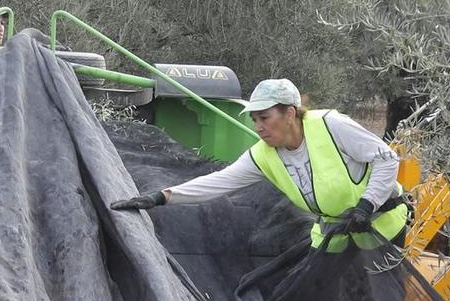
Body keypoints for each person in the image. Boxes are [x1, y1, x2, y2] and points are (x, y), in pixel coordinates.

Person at [109, 79, 407, 252]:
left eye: (264, 118)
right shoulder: (264, 155)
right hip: (335, 238)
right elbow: (217, 183)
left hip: (381, 227)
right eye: (255, 120)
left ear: (290, 114)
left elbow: (386, 159)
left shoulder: (331, 125)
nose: (259, 127)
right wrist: (160, 197)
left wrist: (366, 205)